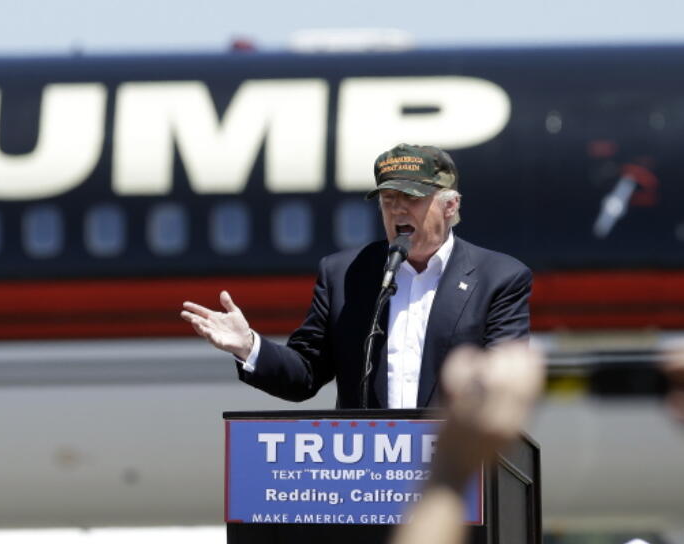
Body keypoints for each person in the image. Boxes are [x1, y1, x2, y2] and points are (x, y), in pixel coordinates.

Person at [181, 144, 532, 409]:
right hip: (366, 480)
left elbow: (504, 382)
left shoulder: (497, 278)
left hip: (453, 470)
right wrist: (249, 347)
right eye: (387, 198)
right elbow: (305, 374)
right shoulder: (345, 274)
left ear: (450, 205)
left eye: (411, 197)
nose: (397, 209)